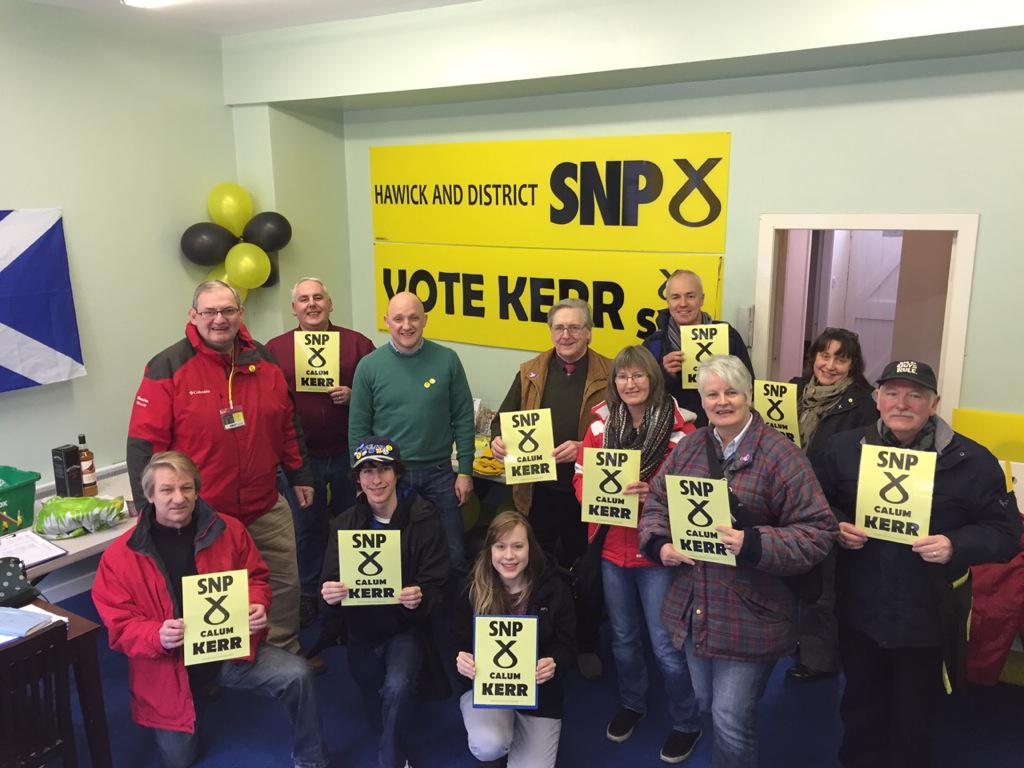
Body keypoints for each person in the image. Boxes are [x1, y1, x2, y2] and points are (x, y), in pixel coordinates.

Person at [815, 360, 1022, 768]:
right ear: (877, 399)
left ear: (934, 403)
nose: (902, 404)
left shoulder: (972, 460)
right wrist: (836, 525)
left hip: (928, 616)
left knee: (914, 714)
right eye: (892, 393)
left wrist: (955, 544)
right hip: (860, 610)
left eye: (915, 395)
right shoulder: (842, 449)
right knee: (859, 705)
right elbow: (815, 504)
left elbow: (1006, 532)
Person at [639, 355, 837, 767]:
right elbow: (657, 500)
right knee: (706, 702)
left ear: (749, 395)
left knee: (730, 718)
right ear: (701, 400)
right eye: (712, 394)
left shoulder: (781, 455)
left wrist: (753, 543)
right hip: (694, 604)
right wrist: (659, 544)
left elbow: (819, 532)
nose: (722, 401)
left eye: (732, 392)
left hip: (752, 611)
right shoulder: (690, 447)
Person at [92, 452, 329, 768]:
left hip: (228, 652)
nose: (179, 498)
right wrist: (156, 635)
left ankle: (312, 758)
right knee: (180, 760)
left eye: (186, 488)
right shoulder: (119, 556)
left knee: (298, 674)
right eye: (167, 490)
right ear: (149, 495)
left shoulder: (228, 530)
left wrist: (257, 604)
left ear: (197, 490)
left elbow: (256, 578)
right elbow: (119, 625)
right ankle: (194, 697)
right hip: (169, 667)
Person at [127, 280, 315, 666]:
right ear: (193, 316)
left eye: (228, 310)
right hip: (204, 513)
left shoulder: (262, 359)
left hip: (264, 502)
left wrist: (299, 474)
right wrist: (150, 507)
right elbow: (144, 444)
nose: (219, 319)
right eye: (209, 311)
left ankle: (284, 655)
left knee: (282, 583)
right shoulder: (167, 366)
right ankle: (215, 669)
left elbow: (286, 422)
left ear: (240, 314)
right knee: (208, 594)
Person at [571, 345, 703, 762]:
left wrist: (655, 495)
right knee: (624, 638)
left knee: (665, 645)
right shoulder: (600, 425)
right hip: (611, 548)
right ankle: (633, 703)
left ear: (653, 378)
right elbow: (581, 477)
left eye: (638, 375)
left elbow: (694, 495)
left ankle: (687, 721)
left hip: (657, 551)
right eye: (622, 376)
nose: (630, 384)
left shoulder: (682, 432)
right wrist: (594, 495)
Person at [490, 297, 612, 680]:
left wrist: (584, 448)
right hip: (537, 493)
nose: (566, 335)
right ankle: (537, 643)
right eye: (559, 327)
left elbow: (623, 434)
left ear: (589, 332)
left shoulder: (611, 373)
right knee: (535, 570)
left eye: (575, 327)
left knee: (587, 574)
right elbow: (501, 422)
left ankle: (586, 642)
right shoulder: (531, 370)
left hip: (586, 493)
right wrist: (497, 441)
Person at [321, 437, 449, 768]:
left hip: (405, 627)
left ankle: (391, 760)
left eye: (383, 470)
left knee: (397, 687)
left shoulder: (425, 519)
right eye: (367, 471)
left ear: (397, 473)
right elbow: (330, 581)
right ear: (357, 479)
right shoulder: (343, 524)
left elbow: (437, 584)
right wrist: (330, 596)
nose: (376, 480)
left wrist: (419, 596)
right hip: (361, 628)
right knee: (374, 700)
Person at [267, 277, 375, 627]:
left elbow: (378, 393)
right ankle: (310, 594)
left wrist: (355, 395)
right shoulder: (275, 349)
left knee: (353, 524)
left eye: (318, 297)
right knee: (307, 529)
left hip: (348, 455)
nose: (311, 304)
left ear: (330, 304)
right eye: (304, 299)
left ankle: (353, 588)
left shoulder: (358, 344)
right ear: (293, 308)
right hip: (301, 459)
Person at [349, 291, 475, 571]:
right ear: (387, 322)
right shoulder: (369, 366)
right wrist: (361, 480)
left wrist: (465, 470)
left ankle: (450, 601)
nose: (406, 326)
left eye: (413, 318)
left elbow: (463, 416)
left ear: (425, 320)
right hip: (389, 476)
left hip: (440, 474)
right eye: (398, 319)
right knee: (393, 557)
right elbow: (358, 428)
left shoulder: (448, 360)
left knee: (453, 553)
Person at [786, 327, 877, 682]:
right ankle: (794, 643)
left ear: (853, 364)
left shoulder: (863, 405)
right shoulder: (792, 392)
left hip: (830, 504)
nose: (830, 365)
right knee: (789, 577)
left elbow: (863, 464)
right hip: (787, 499)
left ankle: (819, 660)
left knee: (820, 587)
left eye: (841, 358)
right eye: (824, 355)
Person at [453, 511, 576, 768]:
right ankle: (497, 746)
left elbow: (568, 646)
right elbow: (456, 640)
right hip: (487, 691)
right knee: (488, 745)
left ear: (531, 548)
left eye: (518, 546)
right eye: (500, 546)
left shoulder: (555, 589)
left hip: (540, 695)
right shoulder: (472, 589)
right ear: (489, 550)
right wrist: (462, 660)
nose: (509, 556)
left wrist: (554, 663)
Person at [642, 269, 753, 428]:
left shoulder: (728, 336)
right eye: (675, 297)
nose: (683, 303)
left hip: (722, 429)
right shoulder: (653, 345)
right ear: (668, 301)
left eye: (690, 296)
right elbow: (642, 399)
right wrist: (664, 374)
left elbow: (748, 388)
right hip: (672, 431)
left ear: (702, 299)